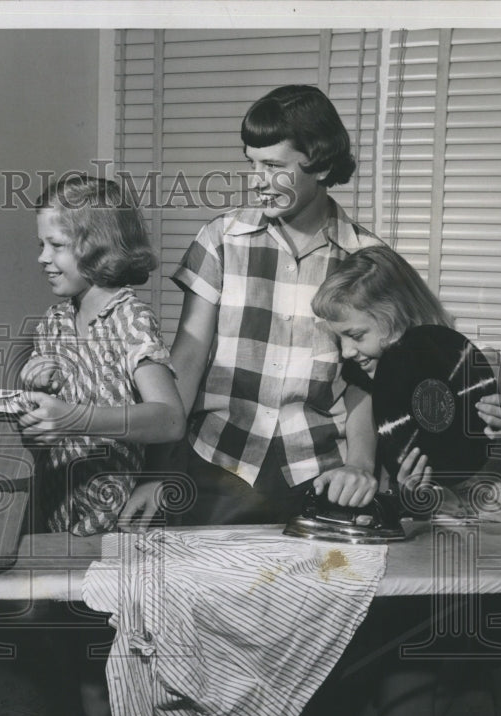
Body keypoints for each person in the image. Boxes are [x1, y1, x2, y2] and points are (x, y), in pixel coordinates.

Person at [121, 84, 384, 529]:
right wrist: (159, 471)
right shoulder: (219, 240)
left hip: (321, 475)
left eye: (274, 166)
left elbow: (364, 380)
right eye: (252, 164)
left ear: (319, 165)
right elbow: (187, 361)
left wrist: (360, 465)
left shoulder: (365, 257)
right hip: (218, 464)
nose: (257, 179)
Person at [309, 243, 501, 716]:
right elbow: (404, 507)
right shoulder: (373, 393)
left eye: (355, 335)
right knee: (405, 691)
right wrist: (410, 493)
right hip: (428, 574)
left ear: (396, 314)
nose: (347, 352)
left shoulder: (485, 366)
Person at [18, 174, 185, 536]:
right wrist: (33, 389)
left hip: (120, 525)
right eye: (41, 244)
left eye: (56, 245)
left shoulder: (130, 321)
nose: (42, 258)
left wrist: (73, 418)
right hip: (57, 517)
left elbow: (170, 419)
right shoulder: (53, 323)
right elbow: (46, 429)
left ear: (99, 247)